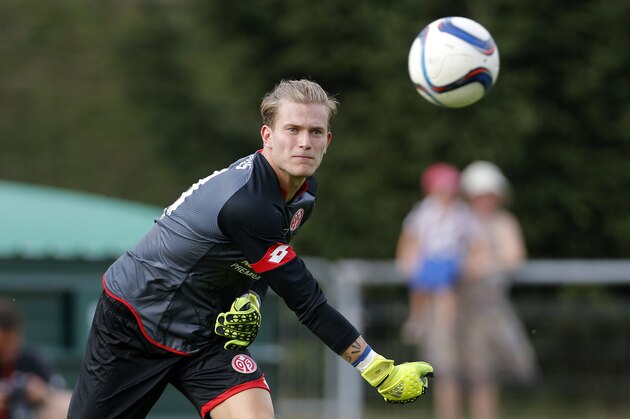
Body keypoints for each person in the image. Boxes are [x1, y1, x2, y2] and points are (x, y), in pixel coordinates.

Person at [68, 79, 434, 419]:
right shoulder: (249, 203)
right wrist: (375, 368)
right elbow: (306, 300)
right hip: (136, 321)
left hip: (205, 332)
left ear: (327, 141)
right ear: (267, 136)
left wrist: (253, 297)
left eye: (315, 131)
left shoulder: (303, 194)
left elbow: (257, 262)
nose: (304, 142)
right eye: (293, 129)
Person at [395, 163, 482, 419]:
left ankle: (444, 320)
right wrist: (409, 259)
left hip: (449, 260)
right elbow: (412, 239)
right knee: (421, 286)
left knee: (444, 290)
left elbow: (473, 241)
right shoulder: (424, 212)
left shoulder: (460, 214)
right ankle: (418, 317)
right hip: (431, 259)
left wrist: (470, 261)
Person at [457, 160, 537, 419]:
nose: (484, 200)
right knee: (454, 374)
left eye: (489, 195)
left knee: (486, 376)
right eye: (480, 195)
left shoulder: (505, 222)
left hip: (492, 310)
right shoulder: (458, 221)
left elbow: (514, 256)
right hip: (459, 310)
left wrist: (483, 264)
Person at [0, 299, 72, 419]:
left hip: (28, 414)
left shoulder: (30, 358)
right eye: (4, 342)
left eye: (12, 340)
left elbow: (60, 390)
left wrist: (43, 392)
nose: (9, 348)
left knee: (64, 403)